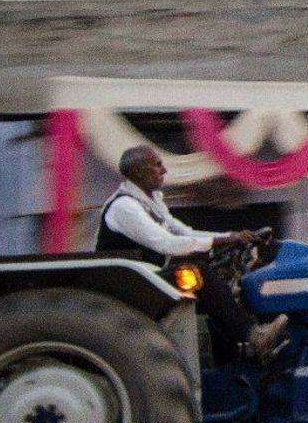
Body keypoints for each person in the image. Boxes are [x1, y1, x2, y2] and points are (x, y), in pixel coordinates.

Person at [96, 145, 286, 362]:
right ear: (138, 171)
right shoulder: (124, 206)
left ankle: (235, 357)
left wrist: (231, 235)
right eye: (157, 165)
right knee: (199, 275)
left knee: (221, 288)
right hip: (130, 284)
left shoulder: (151, 202)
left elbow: (186, 233)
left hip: (146, 277)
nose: (164, 170)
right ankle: (254, 337)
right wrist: (222, 240)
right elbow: (168, 243)